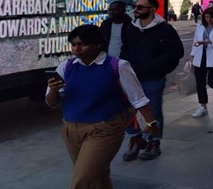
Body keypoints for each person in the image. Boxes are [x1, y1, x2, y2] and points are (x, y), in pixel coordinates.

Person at [45, 24, 159, 188]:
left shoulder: (118, 66)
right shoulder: (66, 67)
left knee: (82, 181)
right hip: (71, 130)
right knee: (98, 177)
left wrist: (152, 123)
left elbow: (139, 99)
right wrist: (53, 90)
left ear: (97, 44)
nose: (76, 49)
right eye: (73, 44)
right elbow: (51, 102)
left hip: (104, 130)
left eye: (82, 44)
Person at [120, 0, 184, 161]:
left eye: (141, 7)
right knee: (126, 110)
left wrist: (156, 66)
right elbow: (125, 49)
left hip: (153, 77)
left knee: (153, 111)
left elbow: (176, 52)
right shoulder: (130, 28)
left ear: (152, 9)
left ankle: (153, 142)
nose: (136, 9)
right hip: (131, 77)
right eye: (136, 6)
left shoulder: (165, 29)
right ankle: (135, 138)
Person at [189, 7, 213, 118]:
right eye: (206, 17)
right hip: (199, 56)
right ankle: (203, 106)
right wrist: (192, 55)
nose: (208, 19)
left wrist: (210, 41)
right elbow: (195, 41)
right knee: (200, 82)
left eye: (211, 17)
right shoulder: (200, 27)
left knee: (212, 82)